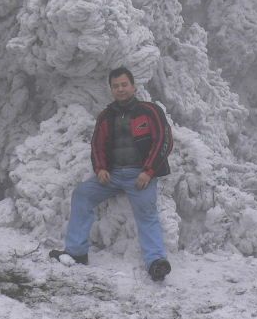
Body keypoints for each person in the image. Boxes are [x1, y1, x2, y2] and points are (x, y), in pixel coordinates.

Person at [49, 67, 174, 281]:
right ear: (111, 89)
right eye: (116, 86)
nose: (120, 89)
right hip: (113, 176)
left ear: (133, 86)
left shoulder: (150, 111)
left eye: (124, 84)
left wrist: (148, 171)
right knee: (82, 194)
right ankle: (76, 252)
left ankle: (156, 263)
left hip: (140, 176)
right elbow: (97, 145)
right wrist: (101, 169)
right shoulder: (106, 116)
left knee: (147, 213)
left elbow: (164, 140)